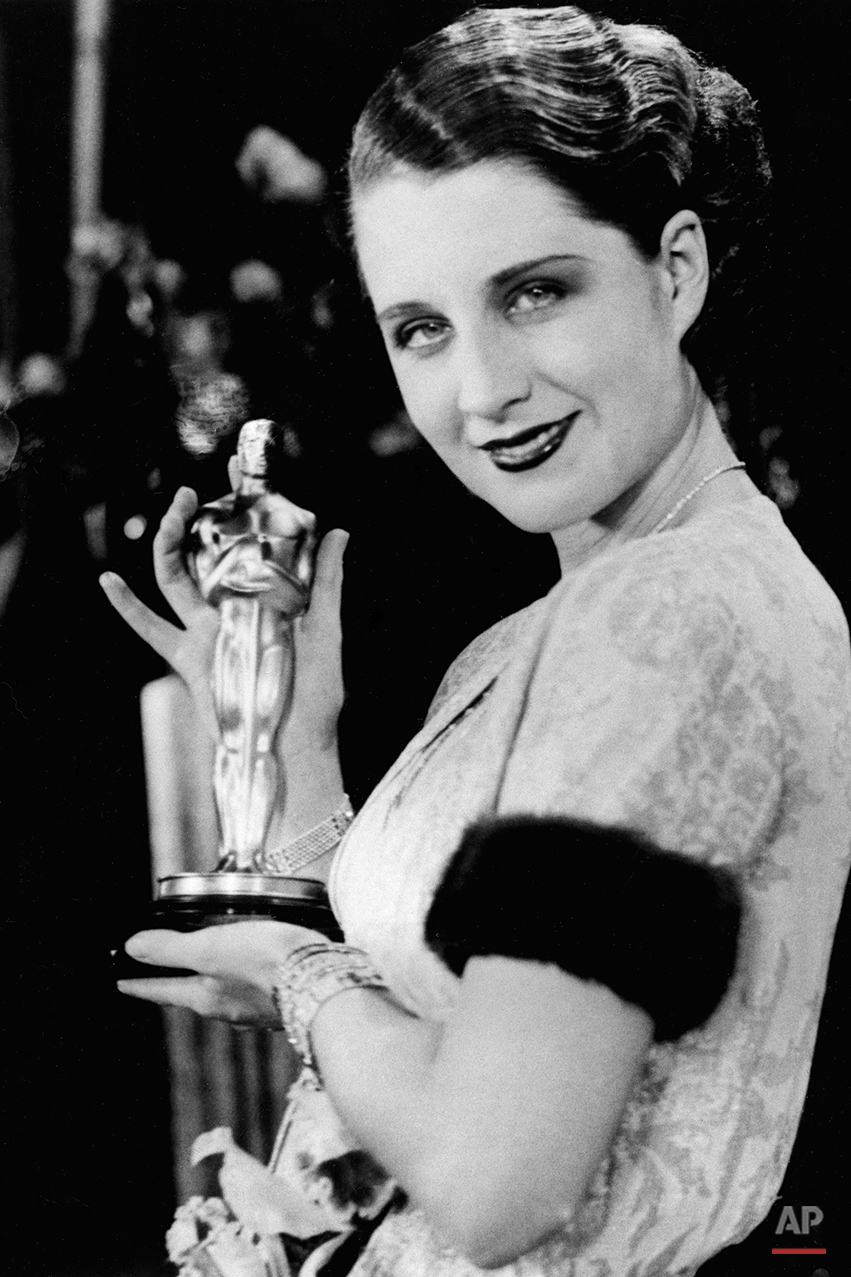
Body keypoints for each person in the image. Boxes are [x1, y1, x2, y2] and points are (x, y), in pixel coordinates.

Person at [101, 5, 851, 1275]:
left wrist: (292, 974)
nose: (481, 388)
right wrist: (292, 745)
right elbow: (448, 1005)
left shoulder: (663, 618)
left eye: (535, 292)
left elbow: (496, 1177)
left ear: (675, 270)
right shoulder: (563, 625)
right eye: (422, 328)